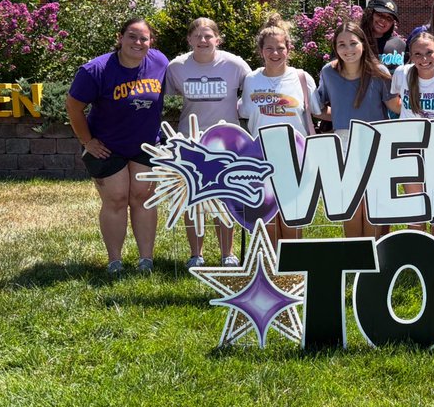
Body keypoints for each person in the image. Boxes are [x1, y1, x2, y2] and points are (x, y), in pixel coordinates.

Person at [65, 17, 168, 276]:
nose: (138, 42)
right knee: (117, 198)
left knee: (143, 198)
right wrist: (87, 141)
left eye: (144, 38)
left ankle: (146, 260)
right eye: (132, 36)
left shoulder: (160, 62)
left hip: (146, 143)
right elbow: (73, 107)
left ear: (151, 42)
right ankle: (115, 261)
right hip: (107, 146)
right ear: (119, 38)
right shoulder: (95, 70)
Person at [164, 17, 251, 268]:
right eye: (197, 36)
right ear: (189, 40)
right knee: (194, 198)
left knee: (225, 197)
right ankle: (196, 254)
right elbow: (169, 104)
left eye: (208, 36)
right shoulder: (177, 67)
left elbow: (252, 91)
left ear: (217, 39)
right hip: (190, 142)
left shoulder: (234, 64)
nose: (203, 40)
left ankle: (228, 254)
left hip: (226, 143)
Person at [239, 14, 317, 242]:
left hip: (295, 155)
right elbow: (244, 113)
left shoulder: (302, 78)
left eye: (280, 48)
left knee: (293, 213)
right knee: (267, 214)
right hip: (260, 156)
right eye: (269, 48)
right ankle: (272, 264)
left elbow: (317, 110)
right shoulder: (251, 80)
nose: (275, 53)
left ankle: (292, 263)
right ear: (261, 51)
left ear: (289, 49)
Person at [313, 21, 394, 239]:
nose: (348, 50)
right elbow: (319, 109)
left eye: (353, 43)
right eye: (341, 44)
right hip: (344, 142)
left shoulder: (379, 72)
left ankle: (377, 251)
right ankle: (356, 253)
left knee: (374, 201)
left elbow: (395, 107)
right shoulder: (328, 73)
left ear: (363, 44)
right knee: (350, 202)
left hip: (375, 142)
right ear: (335, 48)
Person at [387, 31, 434, 243]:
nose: (424, 59)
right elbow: (393, 101)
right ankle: (418, 249)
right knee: (415, 200)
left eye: (429, 53)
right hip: (410, 143)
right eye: (418, 54)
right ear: (410, 55)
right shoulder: (402, 73)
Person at [362, 0, 404, 68]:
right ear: (369, 13)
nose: (383, 20)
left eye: (389, 18)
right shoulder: (356, 41)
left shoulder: (400, 45)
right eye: (380, 14)